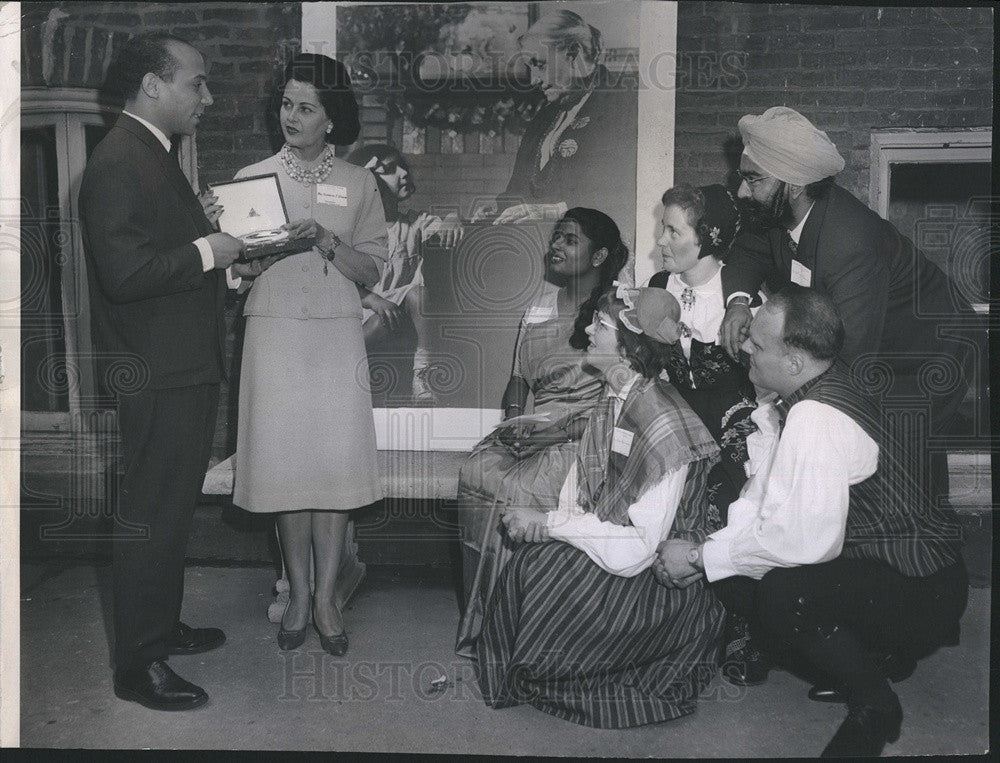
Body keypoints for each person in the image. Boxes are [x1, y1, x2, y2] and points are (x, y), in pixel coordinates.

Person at [658, 286, 967, 756]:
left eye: (758, 345)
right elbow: (764, 497)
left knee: (783, 595)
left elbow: (805, 544)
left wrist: (699, 557)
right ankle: (876, 658)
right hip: (922, 570)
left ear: (796, 362)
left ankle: (874, 703)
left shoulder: (815, 417)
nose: (745, 349)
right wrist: (710, 550)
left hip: (924, 588)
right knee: (738, 569)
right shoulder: (826, 383)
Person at [80, 33, 248, 710]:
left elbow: (151, 250)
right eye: (196, 83)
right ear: (154, 85)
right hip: (157, 372)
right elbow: (123, 275)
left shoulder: (149, 150)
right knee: (151, 513)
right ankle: (138, 664)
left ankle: (159, 627)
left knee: (171, 510)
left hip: (177, 366)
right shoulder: (120, 157)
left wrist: (195, 236)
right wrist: (207, 250)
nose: (205, 97)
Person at [476, 286, 724, 728]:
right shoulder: (614, 401)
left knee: (543, 570)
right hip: (627, 556)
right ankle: (544, 668)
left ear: (629, 351)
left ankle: (565, 671)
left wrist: (549, 524)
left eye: (601, 326)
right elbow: (580, 498)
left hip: (660, 587)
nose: (588, 329)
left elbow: (640, 552)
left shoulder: (662, 423)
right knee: (533, 561)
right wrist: (550, 525)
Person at [717, 106, 975, 510]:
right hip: (874, 341)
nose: (741, 192)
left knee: (900, 460)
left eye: (753, 179)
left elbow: (849, 360)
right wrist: (737, 303)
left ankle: (931, 559)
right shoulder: (777, 213)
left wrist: (795, 412)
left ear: (794, 184)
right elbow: (748, 252)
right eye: (742, 177)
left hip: (929, 352)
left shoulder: (849, 242)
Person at [231, 54, 388, 657]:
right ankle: (296, 594)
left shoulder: (357, 182)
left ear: (331, 117)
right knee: (285, 470)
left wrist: (324, 238)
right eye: (285, 104)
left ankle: (327, 597)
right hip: (273, 333)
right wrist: (253, 250)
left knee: (334, 467)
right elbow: (237, 268)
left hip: (334, 336)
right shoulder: (253, 176)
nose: (289, 116)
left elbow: (372, 268)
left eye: (304, 107)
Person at [454, 208, 628, 657]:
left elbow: (622, 395)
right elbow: (518, 378)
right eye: (556, 237)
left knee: (530, 486)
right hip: (534, 429)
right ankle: (486, 619)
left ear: (599, 255)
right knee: (479, 470)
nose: (557, 246)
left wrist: (555, 435)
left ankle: (528, 627)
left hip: (590, 433)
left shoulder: (618, 310)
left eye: (571, 240)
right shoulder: (537, 307)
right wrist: (514, 420)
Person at [648, 183, 761, 683]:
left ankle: (746, 630)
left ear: (708, 237)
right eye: (663, 228)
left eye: (673, 230)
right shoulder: (658, 283)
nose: (662, 240)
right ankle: (675, 631)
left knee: (727, 505)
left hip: (734, 426)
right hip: (677, 423)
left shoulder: (745, 295)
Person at [471, 9, 637, 242]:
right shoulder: (545, 117)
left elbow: (621, 196)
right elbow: (520, 189)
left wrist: (550, 211)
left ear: (573, 54)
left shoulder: (623, 107)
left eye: (539, 65)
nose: (534, 80)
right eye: (530, 68)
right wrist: (498, 208)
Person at [346, 143, 461, 402]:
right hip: (366, 314)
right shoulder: (354, 233)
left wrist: (455, 217)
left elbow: (442, 227)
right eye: (389, 170)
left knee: (418, 294)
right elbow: (341, 282)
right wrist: (374, 300)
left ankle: (421, 373)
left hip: (403, 310)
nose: (404, 173)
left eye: (403, 165)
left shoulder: (412, 222)